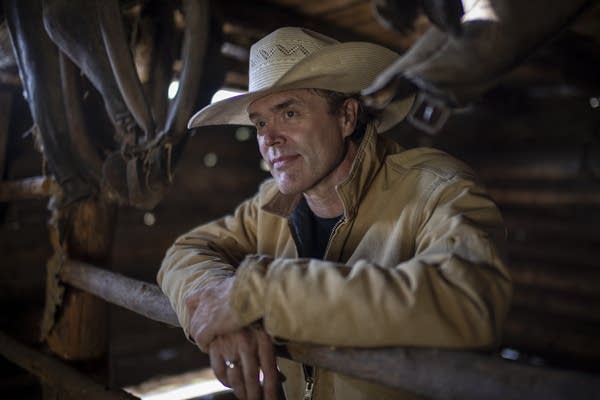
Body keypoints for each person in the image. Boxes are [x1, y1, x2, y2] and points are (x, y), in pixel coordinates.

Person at [158, 27, 512, 400]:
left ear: (346, 116)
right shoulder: (271, 204)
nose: (268, 138)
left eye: (289, 112)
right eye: (260, 122)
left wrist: (260, 294)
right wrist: (216, 299)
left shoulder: (434, 187)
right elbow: (188, 250)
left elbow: (469, 302)